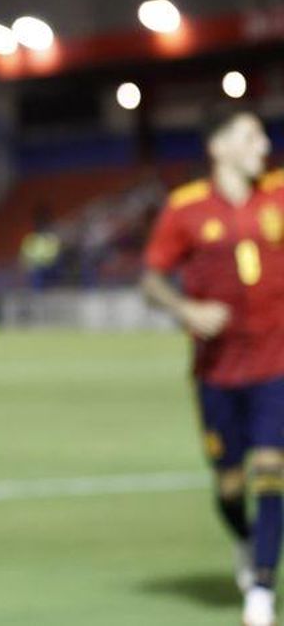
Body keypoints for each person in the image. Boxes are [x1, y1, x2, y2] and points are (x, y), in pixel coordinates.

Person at [143, 107, 284, 626]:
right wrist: (187, 310)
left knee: (272, 470)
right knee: (229, 486)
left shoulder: (280, 194)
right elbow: (151, 279)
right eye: (251, 136)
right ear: (219, 147)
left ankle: (263, 591)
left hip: (277, 362)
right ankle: (246, 541)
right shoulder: (185, 210)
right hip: (217, 372)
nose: (263, 145)